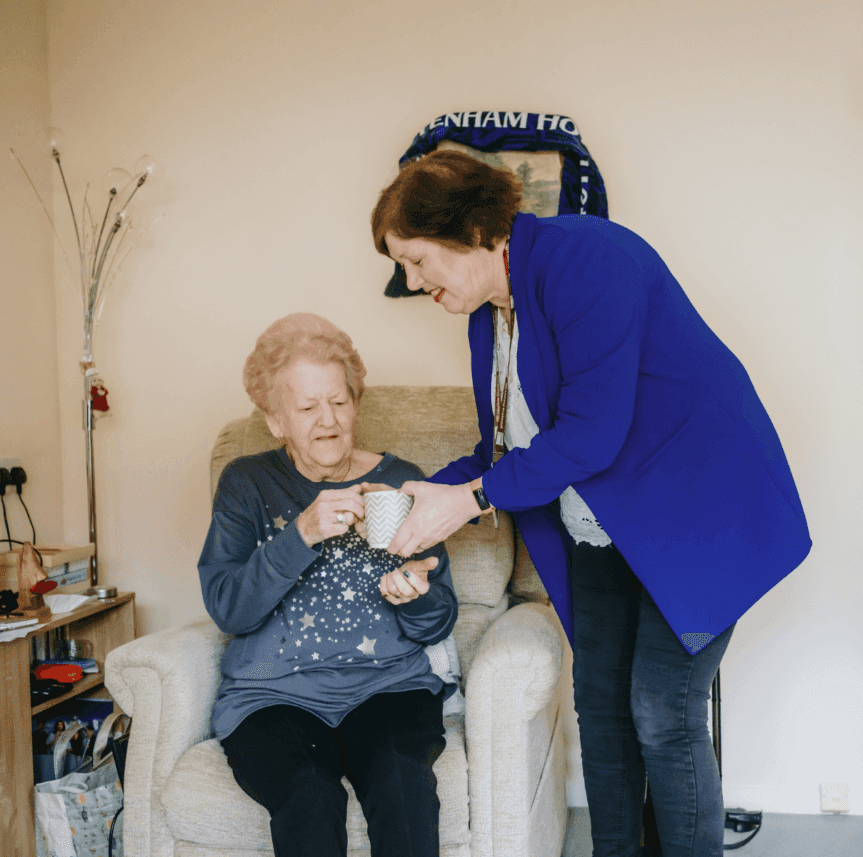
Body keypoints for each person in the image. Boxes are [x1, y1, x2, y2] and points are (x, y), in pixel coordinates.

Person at [370, 150, 812, 857]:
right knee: (601, 711)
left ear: (476, 229)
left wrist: (471, 501)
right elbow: (507, 450)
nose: (414, 281)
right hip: (602, 526)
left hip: (695, 511)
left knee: (661, 710)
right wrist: (437, 490)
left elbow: (590, 434)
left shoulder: (587, 260)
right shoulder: (489, 319)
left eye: (420, 260)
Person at [198, 313, 458, 857]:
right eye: (308, 407)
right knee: (309, 798)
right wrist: (301, 534)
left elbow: (439, 617)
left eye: (339, 402)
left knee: (403, 790)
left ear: (356, 404)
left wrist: (416, 596)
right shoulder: (246, 483)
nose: (328, 420)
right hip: (273, 697)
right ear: (275, 420)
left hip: (388, 688)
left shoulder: (399, 480)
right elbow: (229, 609)